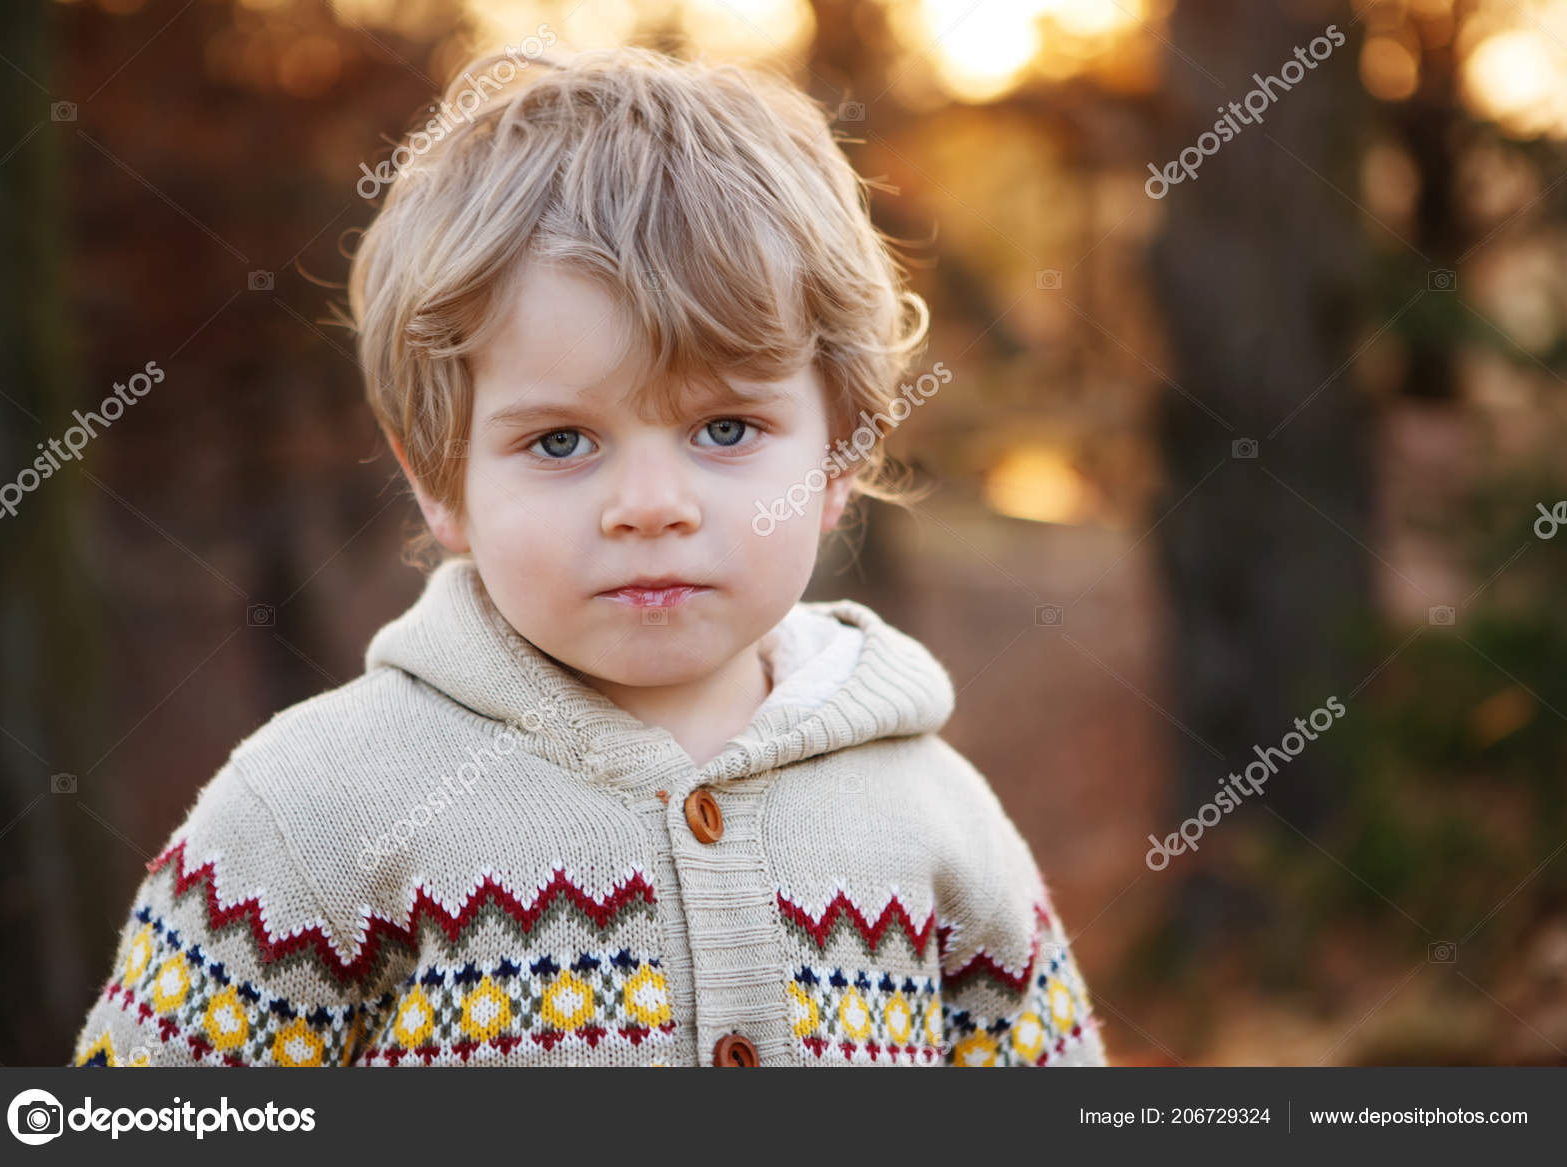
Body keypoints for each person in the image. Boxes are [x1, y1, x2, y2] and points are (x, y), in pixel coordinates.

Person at [70, 44, 1106, 1069]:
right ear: (440, 478)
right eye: (560, 442)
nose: (649, 508)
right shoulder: (311, 812)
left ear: (841, 457)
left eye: (726, 430)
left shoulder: (935, 815)